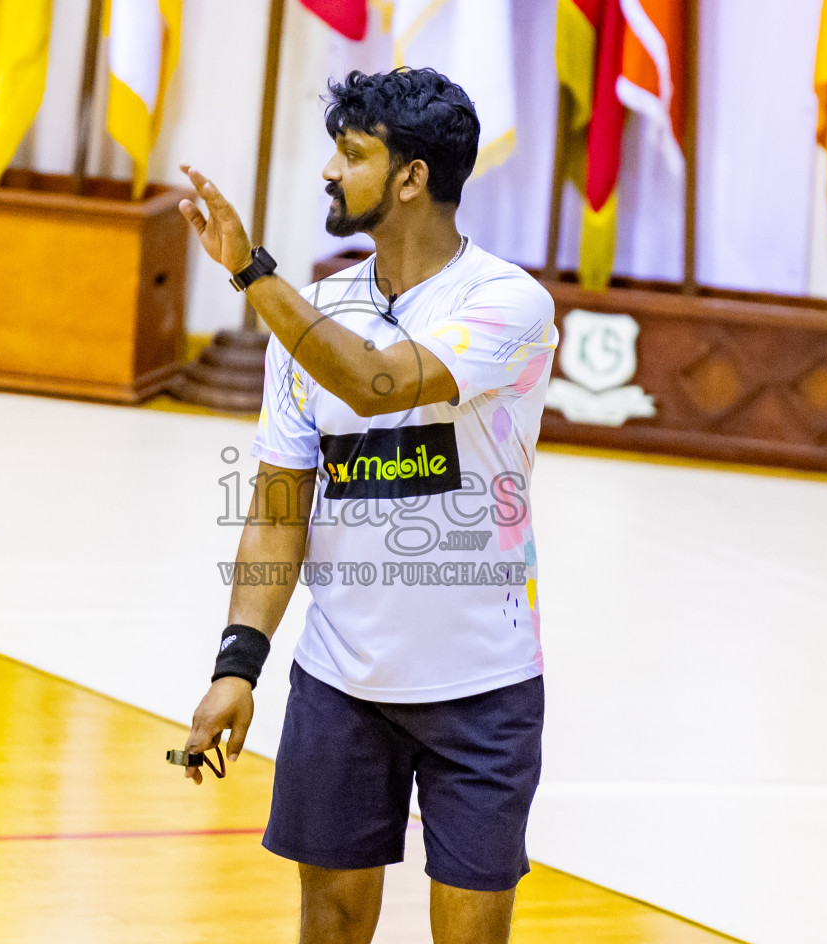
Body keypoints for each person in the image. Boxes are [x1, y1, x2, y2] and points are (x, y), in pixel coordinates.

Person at [176, 67, 558, 944]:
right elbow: (279, 506)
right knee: (330, 928)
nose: (328, 172)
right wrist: (237, 665)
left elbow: (378, 383)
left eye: (352, 155)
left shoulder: (507, 303)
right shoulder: (312, 312)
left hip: (482, 691)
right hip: (339, 685)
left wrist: (249, 271)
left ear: (412, 177)